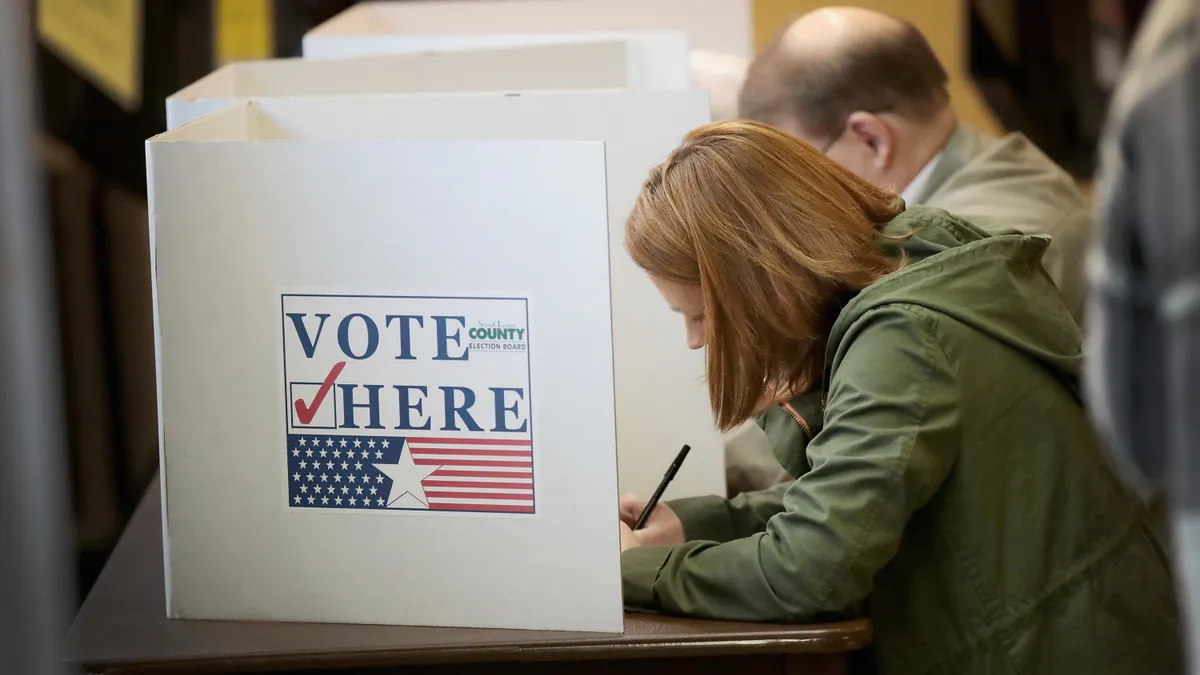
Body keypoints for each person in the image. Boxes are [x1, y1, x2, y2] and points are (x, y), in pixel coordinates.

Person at [617, 119, 1180, 675]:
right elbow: (846, 499)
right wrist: (690, 528)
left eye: (700, 314)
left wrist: (635, 571)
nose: (697, 340)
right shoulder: (914, 264)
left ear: (762, 281)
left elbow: (811, 569)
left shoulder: (903, 337)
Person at [725, 6, 1096, 498]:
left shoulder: (977, 242)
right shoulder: (981, 176)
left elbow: (860, 439)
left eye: (800, 175)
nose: (793, 202)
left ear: (871, 139)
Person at [737, 7, 1091, 323]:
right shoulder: (992, 169)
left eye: (803, 172)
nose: (801, 200)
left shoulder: (969, 253)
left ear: (872, 139)